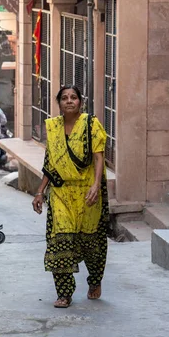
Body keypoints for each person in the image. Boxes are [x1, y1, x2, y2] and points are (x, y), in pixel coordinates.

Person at [32, 85, 109, 309]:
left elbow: (98, 157)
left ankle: (95, 280)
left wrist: (96, 184)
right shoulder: (53, 128)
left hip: (87, 193)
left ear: (80, 102)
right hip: (61, 192)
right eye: (64, 98)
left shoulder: (91, 124)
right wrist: (40, 191)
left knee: (91, 243)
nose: (69, 101)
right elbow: (50, 162)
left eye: (73, 97)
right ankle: (64, 293)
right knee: (60, 240)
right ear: (59, 103)